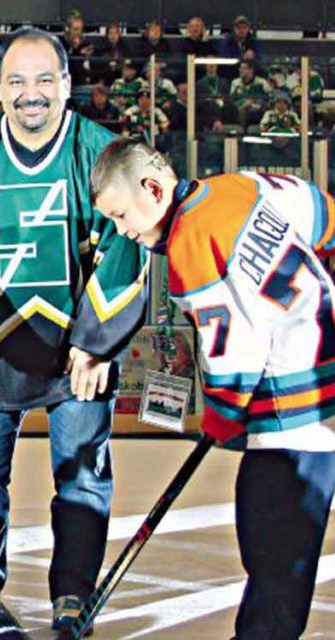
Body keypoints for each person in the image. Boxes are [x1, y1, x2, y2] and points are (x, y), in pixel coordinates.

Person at [0, 27, 147, 631]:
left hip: (78, 350)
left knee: (82, 476)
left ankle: (73, 595)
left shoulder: (99, 154)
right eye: (17, 81)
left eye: (45, 80)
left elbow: (125, 248)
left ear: (67, 85)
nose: (31, 94)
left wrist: (98, 345)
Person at [90, 137, 335, 640]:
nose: (121, 231)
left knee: (273, 548)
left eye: (120, 216)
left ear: (153, 189)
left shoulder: (189, 243)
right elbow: (321, 212)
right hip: (320, 379)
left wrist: (222, 410)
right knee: (277, 541)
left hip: (294, 408)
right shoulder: (240, 186)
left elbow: (234, 342)